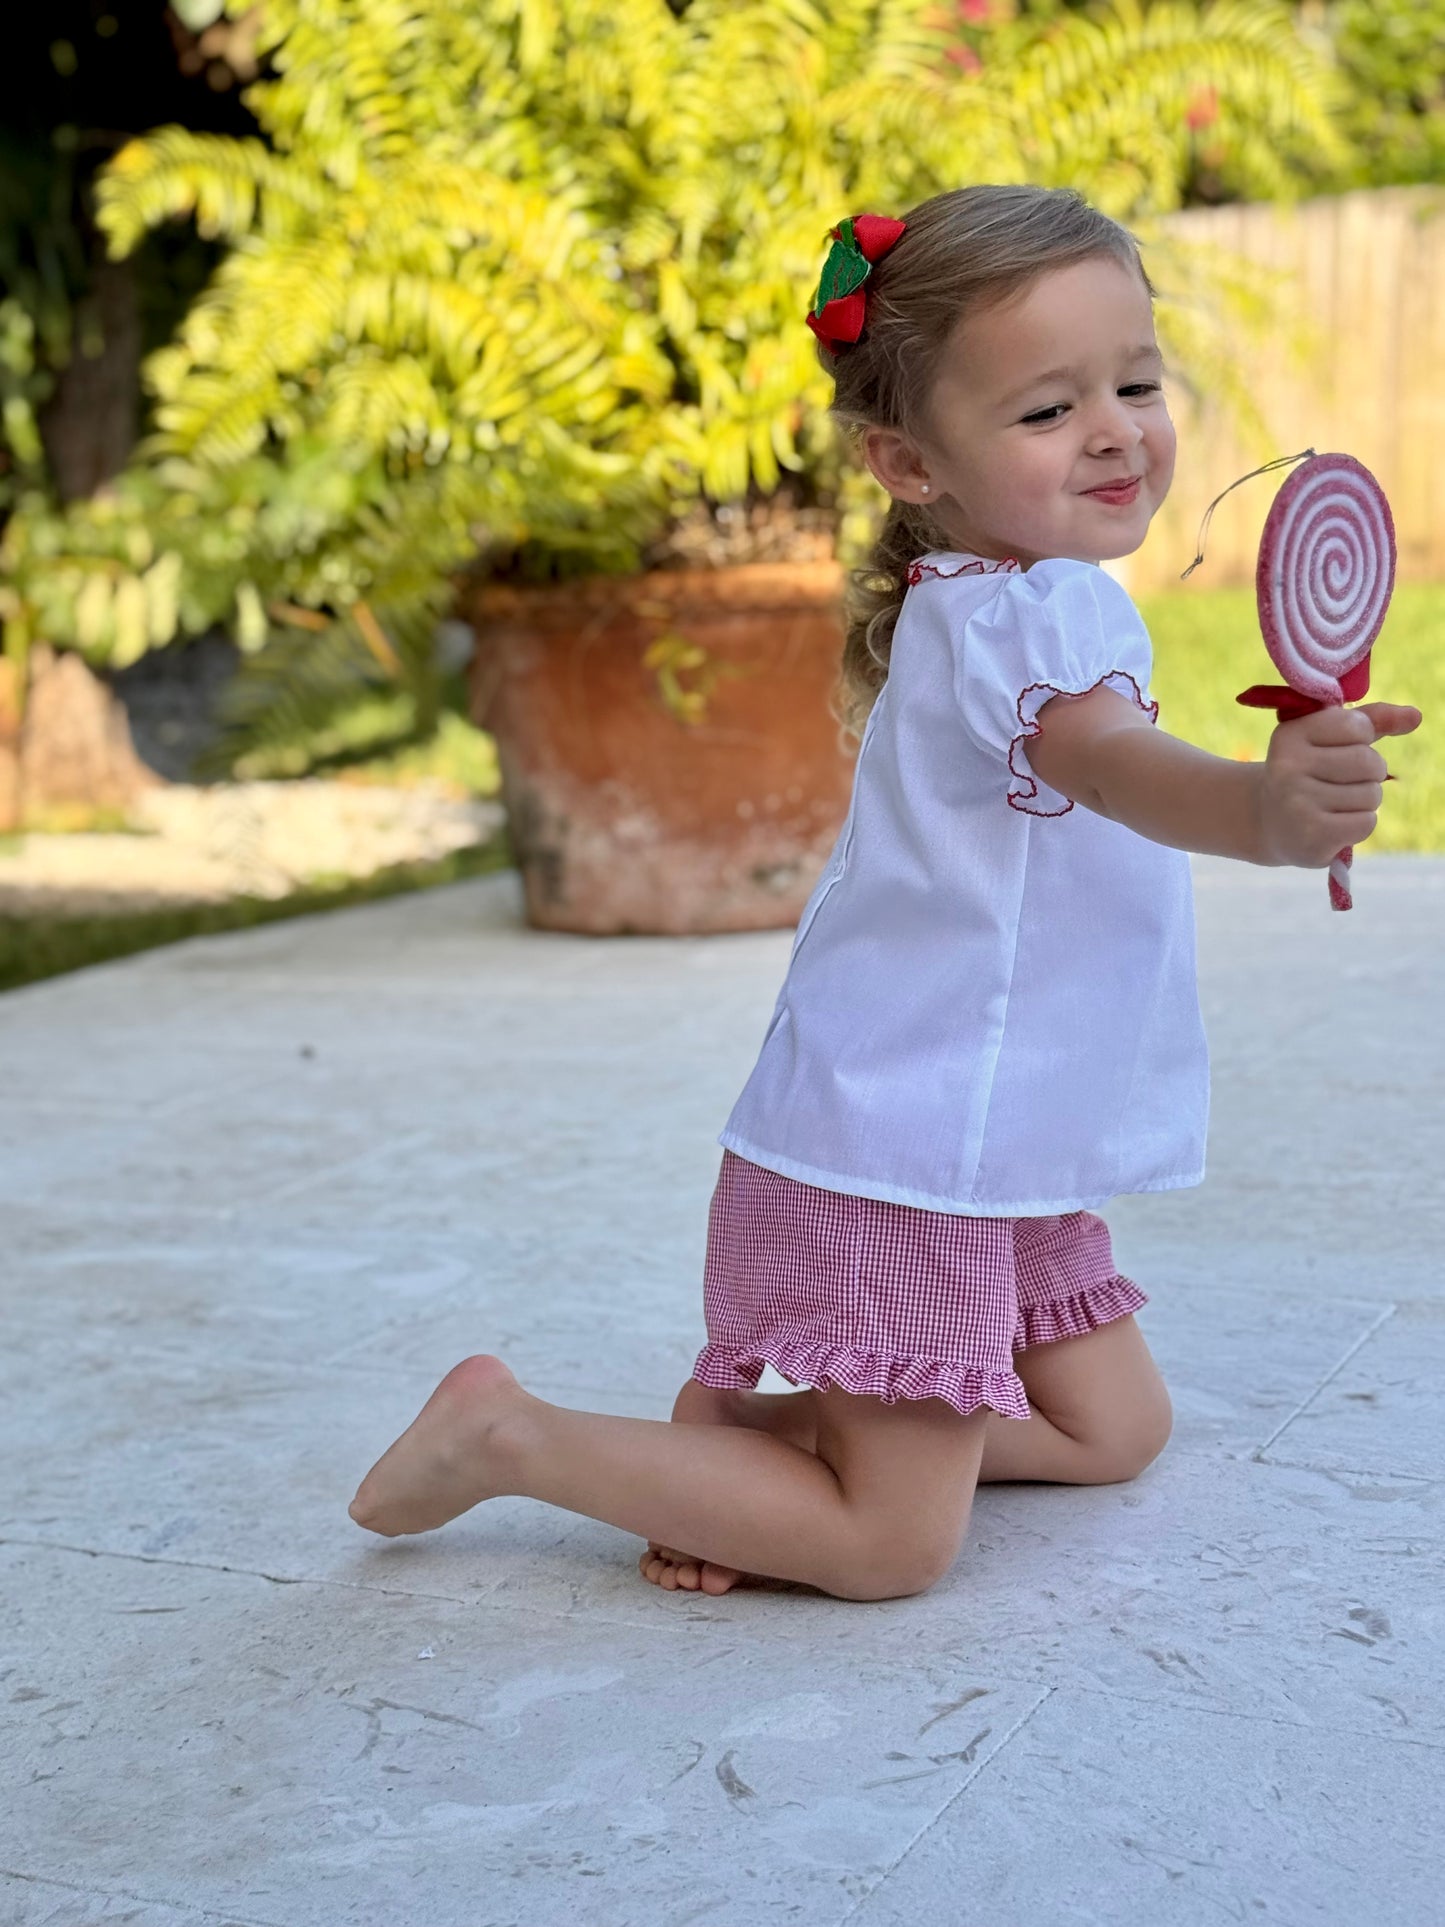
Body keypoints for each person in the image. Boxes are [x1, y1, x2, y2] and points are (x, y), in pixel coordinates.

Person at [348, 184, 1421, 1603]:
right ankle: (513, 1433)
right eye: (1043, 412)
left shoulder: (1015, 588)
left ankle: (758, 1455)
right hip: (907, 1149)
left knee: (1116, 1430)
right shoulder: (1024, 616)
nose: (1111, 428)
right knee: (891, 1552)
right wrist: (1259, 810)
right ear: (909, 462)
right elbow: (1107, 763)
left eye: (1133, 383)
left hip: (994, 1139)